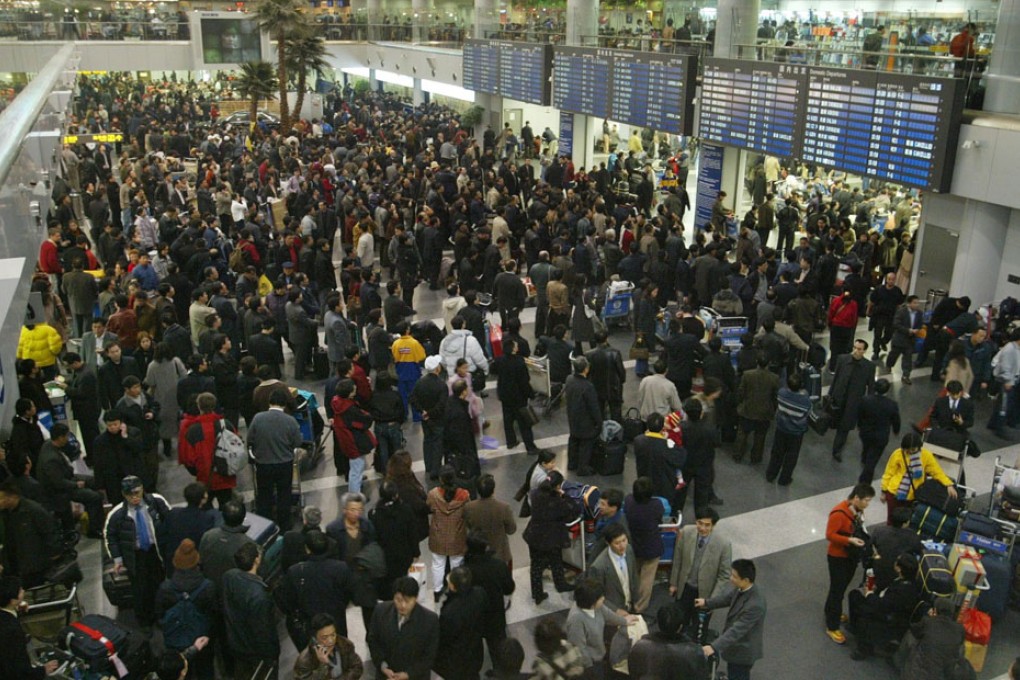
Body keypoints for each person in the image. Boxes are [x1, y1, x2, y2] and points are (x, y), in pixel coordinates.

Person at [104, 475, 171, 629]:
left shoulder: (157, 502)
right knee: (140, 591)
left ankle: (162, 616)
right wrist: (118, 559)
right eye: (130, 494)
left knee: (160, 585)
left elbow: (171, 521)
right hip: (135, 556)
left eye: (137, 493)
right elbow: (110, 537)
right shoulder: (117, 514)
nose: (134, 497)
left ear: (142, 490)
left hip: (156, 552)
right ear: (123, 494)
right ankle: (145, 621)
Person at [275, 529, 357, 646]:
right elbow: (349, 594)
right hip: (336, 621)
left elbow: (288, 601)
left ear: (307, 549)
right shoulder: (341, 568)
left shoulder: (295, 571)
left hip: (310, 626)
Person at [154, 539, 217, 679]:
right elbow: (214, 614)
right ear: (197, 562)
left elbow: (159, 615)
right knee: (204, 669)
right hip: (202, 639)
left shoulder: (165, 588)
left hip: (174, 641)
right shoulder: (208, 587)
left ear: (175, 563)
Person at [695, 559, 767, 680]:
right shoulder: (742, 588)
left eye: (734, 576)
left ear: (746, 580)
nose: (730, 578)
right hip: (735, 648)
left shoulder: (755, 605)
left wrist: (713, 647)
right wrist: (706, 602)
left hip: (743, 652)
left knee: (738, 675)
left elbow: (737, 630)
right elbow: (727, 599)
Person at [823, 483, 875, 645]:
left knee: (842, 586)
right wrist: (849, 540)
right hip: (838, 556)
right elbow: (830, 535)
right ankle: (832, 626)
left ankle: (831, 610)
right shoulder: (839, 514)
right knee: (837, 590)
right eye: (866, 500)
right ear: (856, 498)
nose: (868, 504)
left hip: (851, 555)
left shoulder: (857, 511)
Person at [668, 506, 733, 632]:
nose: (702, 528)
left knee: (699, 627)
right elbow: (678, 559)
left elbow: (724, 575)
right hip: (685, 589)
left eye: (707, 525)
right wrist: (674, 583)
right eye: (700, 523)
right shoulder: (686, 532)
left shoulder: (723, 544)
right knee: (680, 622)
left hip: (705, 594)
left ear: (713, 526)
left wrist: (712, 600)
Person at [247, 388, 303, 530]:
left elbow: (250, 440)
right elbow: (297, 442)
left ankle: (265, 526)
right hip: (284, 463)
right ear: (284, 404)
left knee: (264, 495)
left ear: (269, 402)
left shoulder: (258, 418)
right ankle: (284, 525)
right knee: (284, 494)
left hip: (263, 464)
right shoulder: (290, 421)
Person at [848, 553, 921, 659]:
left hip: (889, 618)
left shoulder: (904, 591)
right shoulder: (907, 581)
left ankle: (864, 650)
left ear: (899, 568)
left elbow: (883, 605)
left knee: (865, 612)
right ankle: (854, 627)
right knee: (854, 595)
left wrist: (869, 594)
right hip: (886, 606)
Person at [222, 542, 280, 678]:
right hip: (257, 654)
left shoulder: (229, 576)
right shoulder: (259, 595)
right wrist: (272, 655)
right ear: (256, 560)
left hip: (237, 644)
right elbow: (263, 631)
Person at [36, 423, 105, 536]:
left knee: (95, 480)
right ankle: (94, 529)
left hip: (68, 476)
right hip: (59, 490)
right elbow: (58, 483)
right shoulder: (51, 460)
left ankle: (99, 519)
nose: (68, 438)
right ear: (60, 438)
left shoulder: (48, 444)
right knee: (94, 497)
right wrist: (76, 485)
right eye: (66, 436)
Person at [366, 576, 440, 680]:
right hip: (386, 675)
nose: (403, 605)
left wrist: (408, 674)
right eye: (398, 600)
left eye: (407, 601)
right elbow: (373, 640)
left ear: (416, 598)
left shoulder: (429, 620)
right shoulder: (381, 611)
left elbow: (429, 655)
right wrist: (383, 666)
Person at [880, 431, 958, 525]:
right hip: (894, 493)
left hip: (913, 496)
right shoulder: (897, 454)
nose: (910, 451)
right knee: (891, 520)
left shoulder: (926, 455)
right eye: (907, 449)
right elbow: (888, 473)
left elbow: (936, 472)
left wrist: (948, 484)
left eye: (913, 449)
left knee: (908, 522)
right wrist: (884, 491)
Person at [524, 471, 577, 604]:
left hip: (534, 535)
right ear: (558, 486)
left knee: (536, 565)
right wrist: (565, 496)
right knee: (556, 560)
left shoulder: (535, 494)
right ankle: (560, 584)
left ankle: (537, 594)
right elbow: (573, 510)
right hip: (552, 537)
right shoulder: (557, 501)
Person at [178, 392, 238, 508]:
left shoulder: (193, 430)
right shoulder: (226, 424)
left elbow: (189, 459)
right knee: (227, 508)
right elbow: (236, 448)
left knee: (206, 510)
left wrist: (197, 471)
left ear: (199, 406)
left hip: (205, 479)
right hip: (225, 476)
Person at [565, 579, 636, 677]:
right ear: (591, 601)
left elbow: (609, 615)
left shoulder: (597, 606)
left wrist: (625, 621)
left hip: (599, 654)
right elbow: (580, 649)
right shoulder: (576, 620)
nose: (603, 598)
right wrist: (590, 670)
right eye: (600, 597)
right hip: (590, 664)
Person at [0, 478, 62, 588]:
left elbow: (49, 532)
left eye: (2, 498)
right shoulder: (6, 514)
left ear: (13, 497)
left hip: (36, 563)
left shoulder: (33, 510)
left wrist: (54, 553)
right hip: (17, 563)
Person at [464, 532, 516, 661]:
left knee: (475, 652)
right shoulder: (498, 565)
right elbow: (509, 587)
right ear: (485, 547)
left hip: (475, 617)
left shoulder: (465, 570)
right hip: (495, 615)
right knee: (498, 650)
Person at [0, 575, 61, 678]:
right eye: (20, 591)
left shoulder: (5, 616)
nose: (23, 591)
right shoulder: (12, 630)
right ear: (12, 600)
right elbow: (19, 668)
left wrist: (16, 608)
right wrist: (42, 671)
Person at [434, 566, 488, 680]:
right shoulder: (480, 593)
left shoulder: (450, 612)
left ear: (453, 587)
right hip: (476, 651)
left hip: (457, 659)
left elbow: (444, 637)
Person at [370, 481, 421, 600]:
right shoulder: (406, 510)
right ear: (396, 495)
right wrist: (416, 552)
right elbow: (412, 533)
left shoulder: (375, 514)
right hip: (405, 553)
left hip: (385, 555)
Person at [629, 604, 710, 679]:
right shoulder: (694, 652)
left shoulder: (640, 647)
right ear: (680, 627)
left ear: (659, 623)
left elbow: (633, 672)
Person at [427, 466, 470, 601]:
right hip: (457, 536)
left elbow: (428, 506)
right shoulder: (464, 495)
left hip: (438, 536)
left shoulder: (433, 494)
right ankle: (455, 589)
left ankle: (437, 590)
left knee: (437, 564)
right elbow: (468, 512)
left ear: (440, 479)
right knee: (456, 564)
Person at [830, 339, 876, 462]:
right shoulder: (842, 359)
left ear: (864, 351)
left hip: (853, 403)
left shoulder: (869, 367)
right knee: (833, 421)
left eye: (859, 349)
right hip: (838, 399)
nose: (856, 351)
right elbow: (835, 379)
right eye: (855, 347)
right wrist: (830, 395)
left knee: (844, 429)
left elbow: (871, 388)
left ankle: (837, 450)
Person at [623, 477, 664, 612]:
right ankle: (639, 607)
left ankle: (628, 600)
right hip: (651, 547)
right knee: (647, 578)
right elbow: (660, 518)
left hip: (634, 545)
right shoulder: (656, 505)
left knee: (633, 574)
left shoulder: (629, 502)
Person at [901, 598, 967, 679]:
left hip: (916, 674)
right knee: (960, 647)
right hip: (942, 675)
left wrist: (929, 617)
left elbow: (914, 629)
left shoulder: (928, 621)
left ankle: (900, 663)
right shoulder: (960, 629)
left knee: (910, 635)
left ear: (935, 610)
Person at [332, 378, 377, 493]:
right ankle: (355, 496)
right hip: (355, 442)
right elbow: (363, 421)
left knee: (357, 466)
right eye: (354, 390)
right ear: (348, 393)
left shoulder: (338, 404)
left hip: (348, 440)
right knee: (356, 469)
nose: (355, 392)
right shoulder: (350, 409)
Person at [585, 523, 640, 617]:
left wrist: (636, 600)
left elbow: (633, 575)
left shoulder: (629, 549)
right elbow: (596, 595)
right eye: (617, 543)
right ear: (608, 543)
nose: (622, 546)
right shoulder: (598, 566)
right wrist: (616, 610)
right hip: (611, 613)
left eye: (624, 540)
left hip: (630, 606)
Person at [633, 413, 686, 510]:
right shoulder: (668, 445)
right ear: (662, 427)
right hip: (664, 486)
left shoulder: (638, 441)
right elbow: (680, 459)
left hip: (644, 483)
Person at [496, 338, 539, 454]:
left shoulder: (500, 360)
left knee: (508, 419)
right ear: (513, 349)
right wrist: (530, 393)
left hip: (505, 395)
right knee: (524, 422)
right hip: (519, 396)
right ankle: (530, 447)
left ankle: (511, 441)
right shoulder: (520, 362)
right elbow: (524, 381)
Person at [464, 474, 517, 567]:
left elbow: (468, 526)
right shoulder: (504, 507)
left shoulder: (469, 507)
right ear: (493, 490)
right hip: (500, 554)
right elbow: (511, 530)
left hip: (478, 554)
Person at [735, 354, 779, 465]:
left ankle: (737, 455)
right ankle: (755, 458)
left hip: (747, 409)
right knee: (760, 437)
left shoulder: (747, 375)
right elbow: (775, 397)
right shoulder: (774, 378)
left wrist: (739, 404)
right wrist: (772, 409)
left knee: (742, 434)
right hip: (764, 413)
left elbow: (741, 392)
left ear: (757, 362)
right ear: (769, 364)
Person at [856, 378, 902, 484]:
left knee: (866, 446)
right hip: (881, 435)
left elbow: (860, 414)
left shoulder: (866, 400)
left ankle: (864, 458)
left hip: (866, 432)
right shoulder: (891, 404)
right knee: (873, 458)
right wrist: (896, 430)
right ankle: (865, 481)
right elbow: (896, 420)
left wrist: (859, 426)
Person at [293, 612, 364, 680]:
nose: (330, 640)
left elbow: (357, 667)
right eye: (324, 637)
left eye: (333, 635)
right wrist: (323, 667)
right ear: (315, 638)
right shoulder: (304, 661)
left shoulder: (345, 644)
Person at [409, 355, 447, 480]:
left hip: (425, 420)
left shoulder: (419, 382)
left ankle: (429, 466)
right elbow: (442, 405)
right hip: (438, 419)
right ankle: (435, 470)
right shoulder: (441, 385)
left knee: (427, 441)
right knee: (437, 443)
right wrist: (430, 413)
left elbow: (412, 399)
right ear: (437, 368)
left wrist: (423, 412)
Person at [565, 356, 602, 475]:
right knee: (586, 443)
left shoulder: (569, 379)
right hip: (585, 421)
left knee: (573, 439)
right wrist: (599, 422)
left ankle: (571, 463)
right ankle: (583, 468)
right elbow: (594, 407)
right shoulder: (588, 386)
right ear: (586, 369)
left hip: (572, 416)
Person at [586, 327, 626, 421]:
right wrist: (622, 381)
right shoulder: (615, 353)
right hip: (614, 387)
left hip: (597, 387)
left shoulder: (589, 354)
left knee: (599, 412)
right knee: (616, 413)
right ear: (606, 339)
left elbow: (588, 372)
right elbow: (621, 371)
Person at [887, 295, 924, 385]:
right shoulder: (901, 312)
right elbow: (896, 324)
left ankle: (906, 375)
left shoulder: (919, 313)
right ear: (909, 303)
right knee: (894, 354)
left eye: (918, 302)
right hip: (899, 338)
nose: (917, 305)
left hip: (910, 340)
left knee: (908, 358)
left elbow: (920, 324)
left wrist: (917, 330)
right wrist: (907, 330)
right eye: (915, 302)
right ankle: (889, 365)